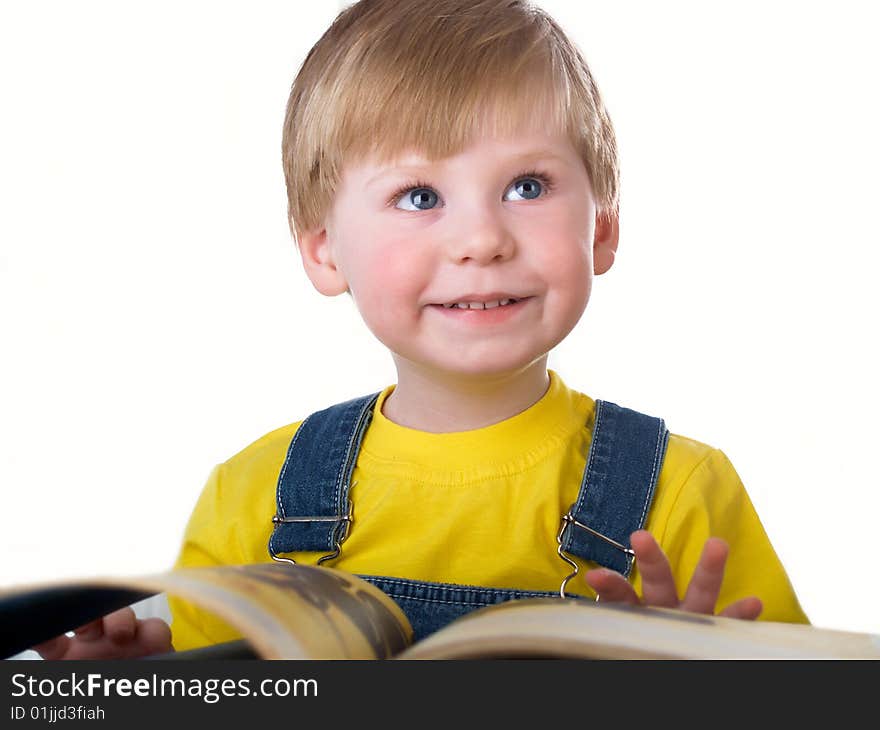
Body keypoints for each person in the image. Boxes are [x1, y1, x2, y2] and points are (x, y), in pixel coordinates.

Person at [33, 0, 808, 660]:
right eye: (418, 196)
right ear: (324, 250)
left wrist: (707, 682)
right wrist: (132, 685)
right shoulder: (254, 496)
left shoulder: (680, 493)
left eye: (527, 186)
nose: (481, 238)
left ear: (602, 231)